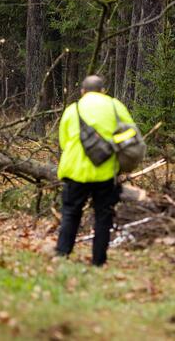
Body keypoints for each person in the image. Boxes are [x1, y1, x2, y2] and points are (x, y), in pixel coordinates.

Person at [55, 75, 136, 266]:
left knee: (70, 213)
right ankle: (99, 261)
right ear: (103, 91)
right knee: (103, 215)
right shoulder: (115, 106)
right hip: (105, 171)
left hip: (75, 171)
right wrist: (111, 144)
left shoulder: (72, 109)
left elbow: (64, 141)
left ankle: (62, 254)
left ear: (82, 91)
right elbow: (131, 133)